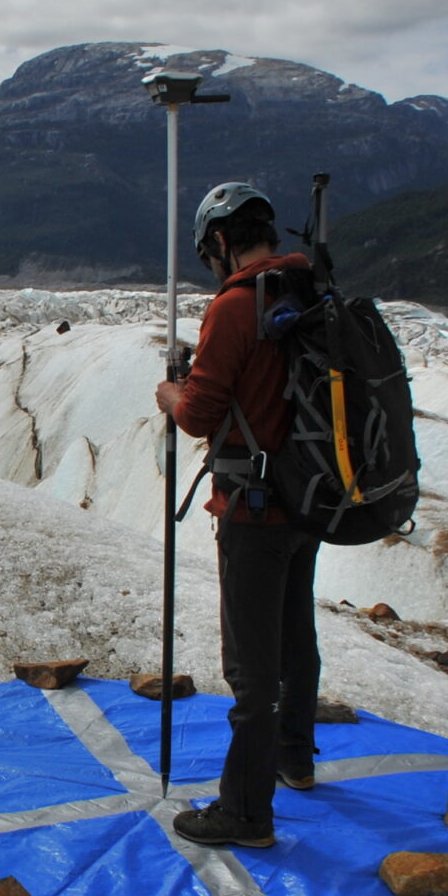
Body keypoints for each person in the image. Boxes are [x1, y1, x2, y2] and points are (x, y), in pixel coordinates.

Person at [153, 182, 321, 848]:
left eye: (208, 254)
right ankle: (294, 757)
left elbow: (198, 414)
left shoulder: (235, 307)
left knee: (252, 670)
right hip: (308, 497)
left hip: (254, 509)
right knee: (295, 638)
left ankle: (247, 813)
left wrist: (170, 390)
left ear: (220, 242)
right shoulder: (304, 288)